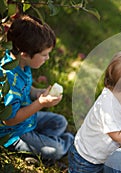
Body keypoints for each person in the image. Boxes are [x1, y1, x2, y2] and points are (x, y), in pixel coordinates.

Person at [0, 15, 74, 161]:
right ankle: (66, 144)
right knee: (55, 150)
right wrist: (40, 103)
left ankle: (40, 145)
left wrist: (36, 93)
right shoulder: (9, 79)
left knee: (60, 122)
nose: (47, 58)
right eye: (44, 55)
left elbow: (25, 88)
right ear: (25, 54)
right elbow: (9, 120)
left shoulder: (19, 63)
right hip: (14, 134)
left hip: (28, 121)